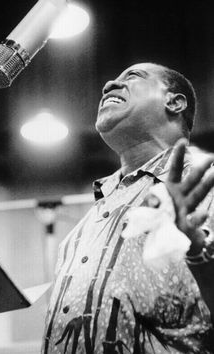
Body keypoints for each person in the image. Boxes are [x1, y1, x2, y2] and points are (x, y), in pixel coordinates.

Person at [41, 63, 214, 353]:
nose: (108, 84)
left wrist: (199, 255)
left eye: (133, 76)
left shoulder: (207, 185)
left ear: (174, 101)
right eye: (113, 79)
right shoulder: (79, 233)